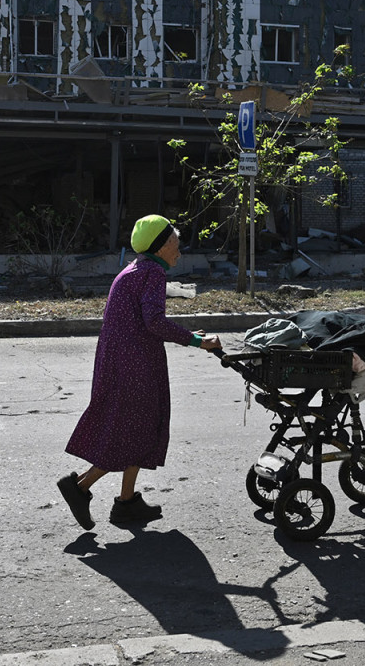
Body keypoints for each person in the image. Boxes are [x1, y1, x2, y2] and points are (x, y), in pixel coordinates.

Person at [57, 214, 221, 529]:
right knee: (129, 431)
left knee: (138, 429)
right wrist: (198, 341)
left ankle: (127, 502)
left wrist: (188, 334)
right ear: (160, 245)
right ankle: (80, 486)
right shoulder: (153, 274)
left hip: (122, 361)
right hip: (135, 365)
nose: (179, 248)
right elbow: (155, 322)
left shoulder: (132, 270)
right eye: (174, 241)